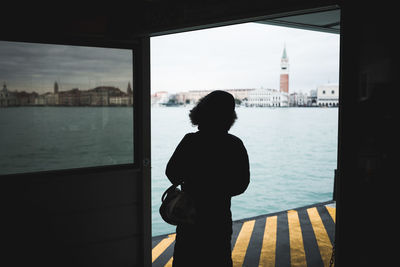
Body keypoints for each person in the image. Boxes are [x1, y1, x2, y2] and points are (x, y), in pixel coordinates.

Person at [165, 90, 250, 267]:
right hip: (218, 217)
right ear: (229, 117)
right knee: (218, 258)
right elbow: (242, 184)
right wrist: (218, 189)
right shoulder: (234, 144)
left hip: (189, 215)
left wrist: (191, 181)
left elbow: (171, 173)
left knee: (186, 258)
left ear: (201, 113)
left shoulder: (189, 141)